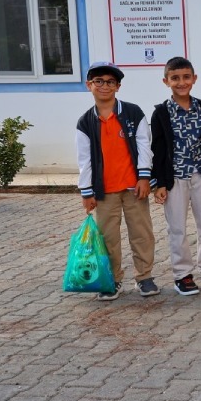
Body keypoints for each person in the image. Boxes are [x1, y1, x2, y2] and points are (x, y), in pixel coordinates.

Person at [76, 61, 156, 300]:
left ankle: (145, 277)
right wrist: (86, 192)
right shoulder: (85, 122)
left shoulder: (132, 112)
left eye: (110, 82)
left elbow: (144, 146)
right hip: (105, 191)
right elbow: (84, 160)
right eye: (98, 81)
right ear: (89, 85)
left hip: (134, 188)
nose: (104, 86)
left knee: (142, 233)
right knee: (108, 238)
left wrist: (144, 177)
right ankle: (112, 279)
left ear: (118, 86)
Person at [150, 57, 201, 296]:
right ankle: (182, 274)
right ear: (165, 81)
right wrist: (159, 182)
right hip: (175, 178)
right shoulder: (161, 112)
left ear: (194, 78)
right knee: (177, 228)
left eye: (186, 77)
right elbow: (158, 149)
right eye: (175, 78)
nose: (181, 82)